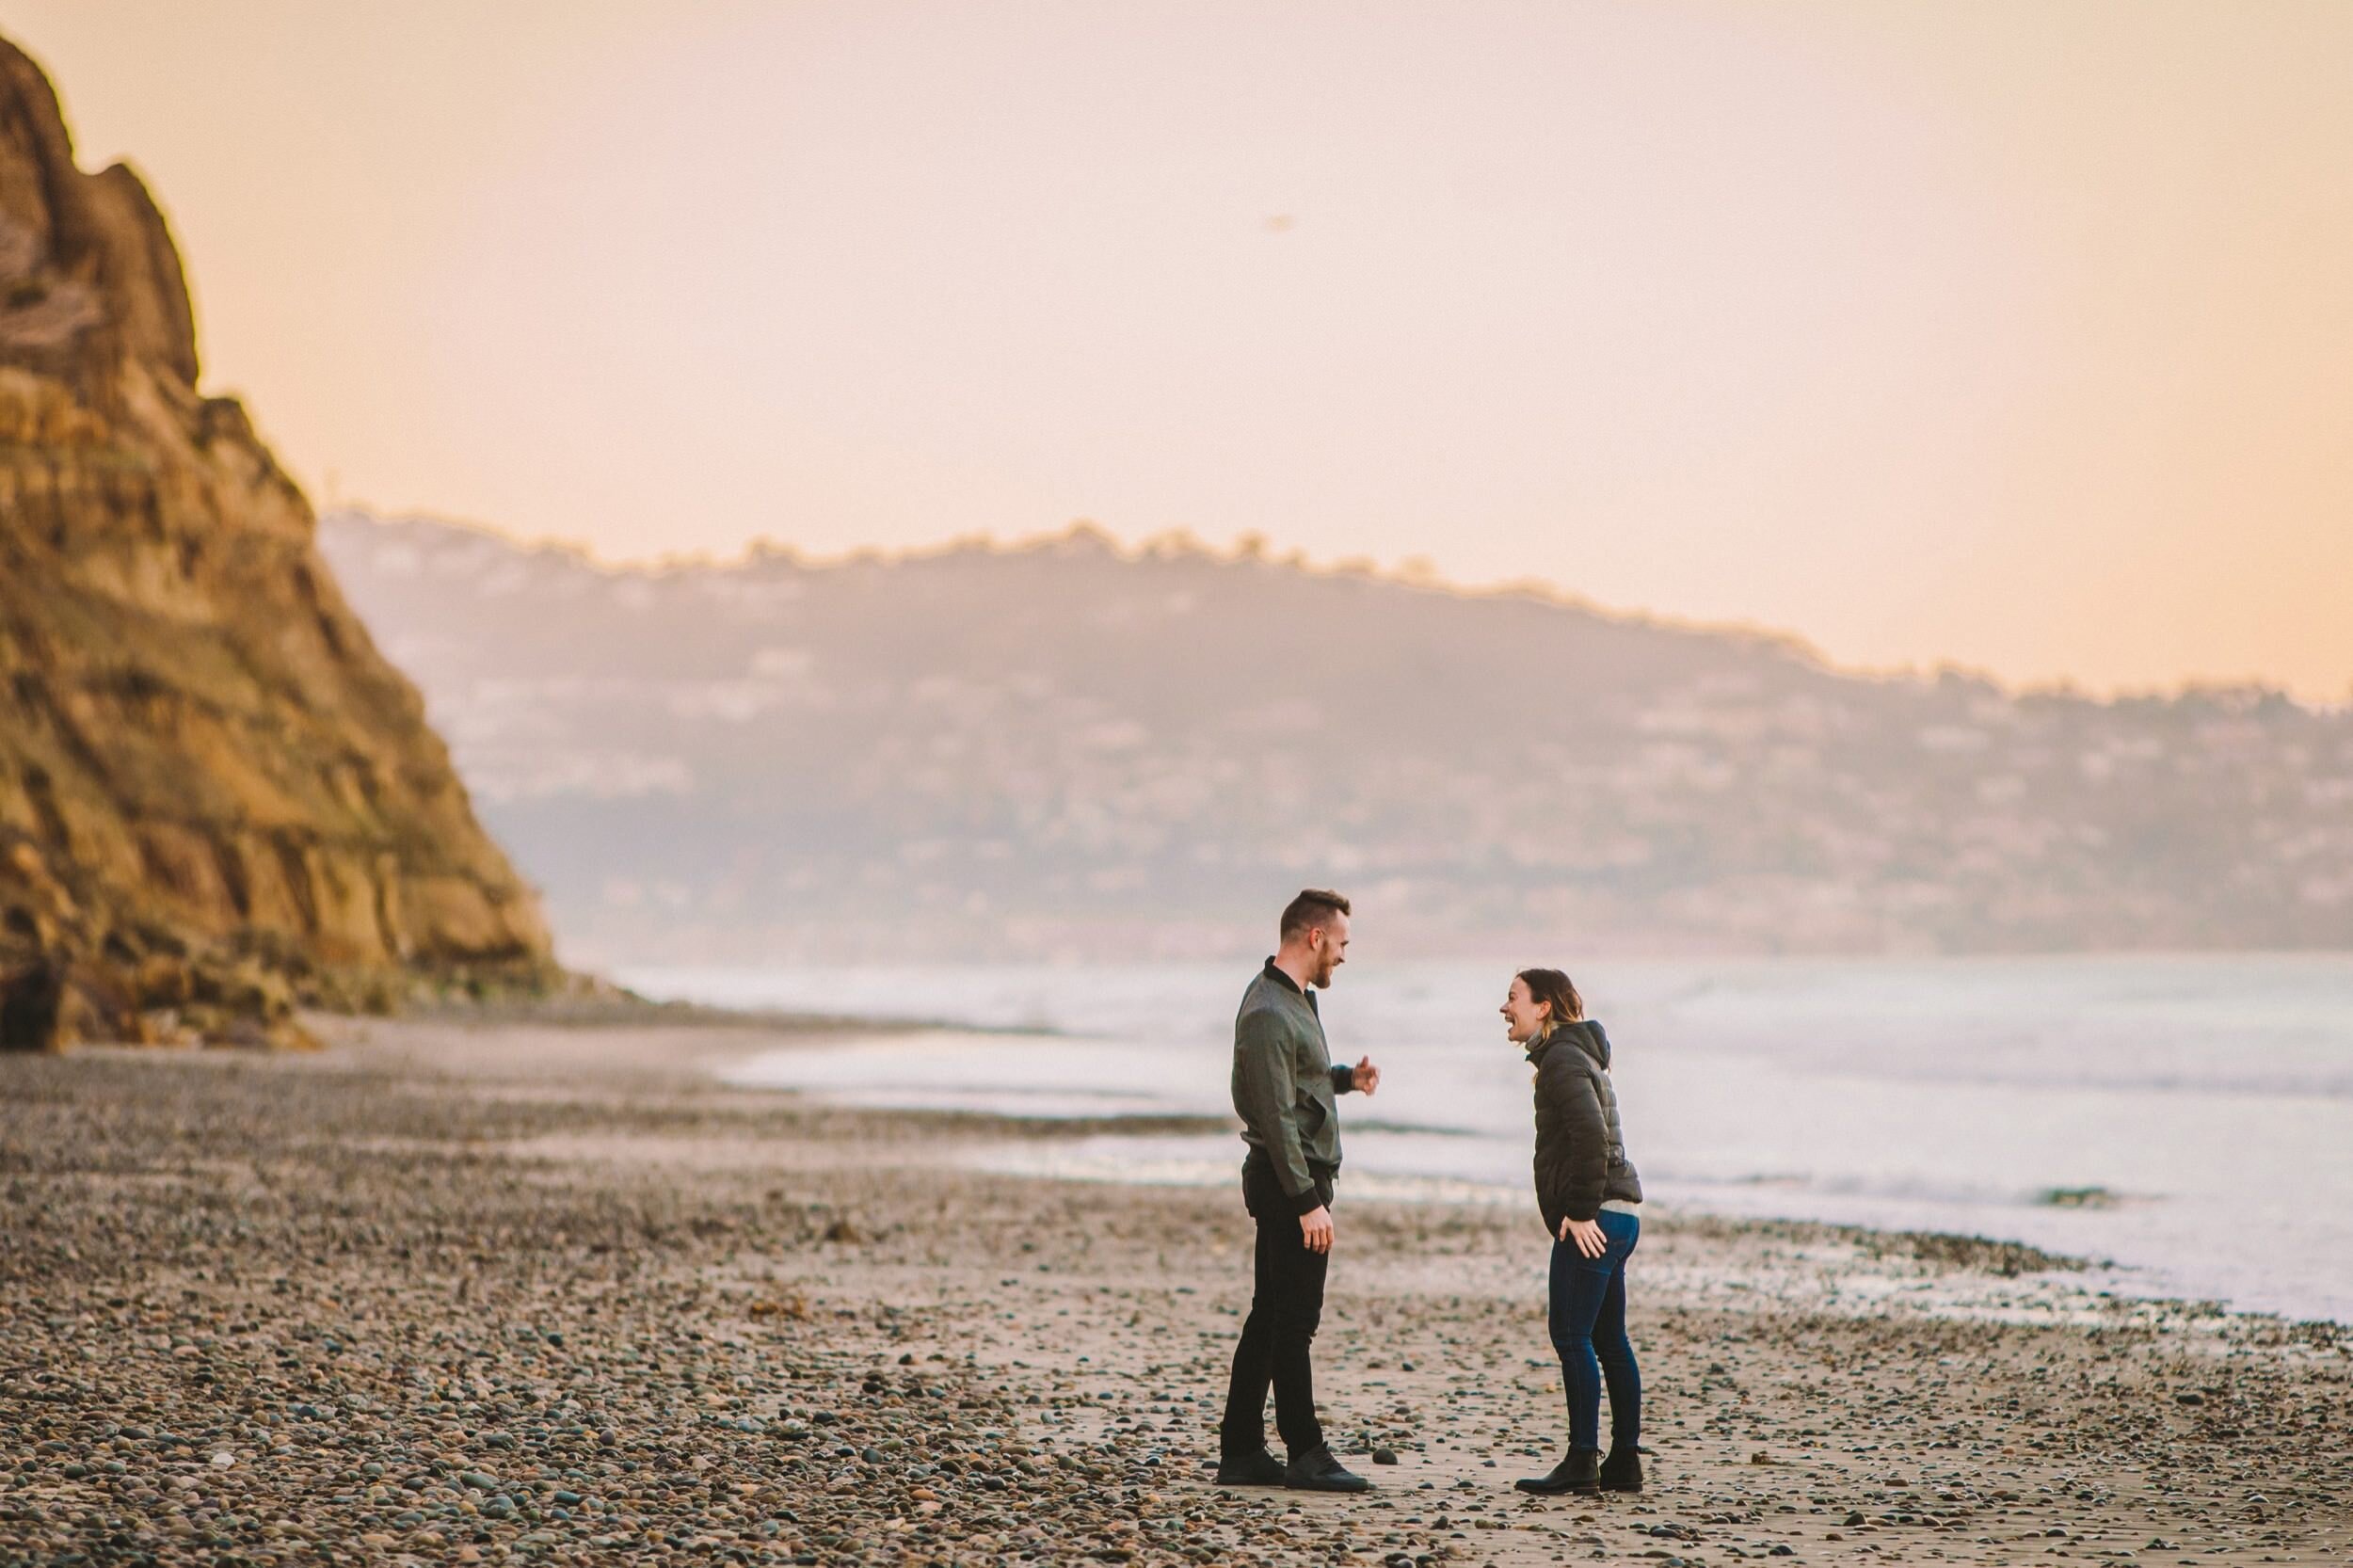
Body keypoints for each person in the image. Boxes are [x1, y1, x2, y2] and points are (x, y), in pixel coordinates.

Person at [1215, 888, 1383, 1493]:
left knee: (1271, 1315)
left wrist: (1345, 1079)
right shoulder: (1267, 1010)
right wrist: (1307, 1200)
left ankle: (1240, 1451)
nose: (1342, 955)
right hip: (1290, 1182)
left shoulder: (1294, 1000)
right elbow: (1275, 1115)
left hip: (1296, 1179)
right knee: (1295, 1321)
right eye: (1340, 944)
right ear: (1314, 937)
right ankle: (1305, 1451)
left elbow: (1295, 1082)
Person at [1504, 967, 1646, 1496]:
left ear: (1543, 1007)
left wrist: (1582, 1211)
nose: (1505, 1007)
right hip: (1623, 1212)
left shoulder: (1563, 1058)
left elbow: (1591, 1135)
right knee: (1609, 1338)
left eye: (1513, 997)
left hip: (1597, 1214)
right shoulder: (1577, 1054)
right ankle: (1625, 1463)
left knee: (1571, 1336)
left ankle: (1582, 1461)